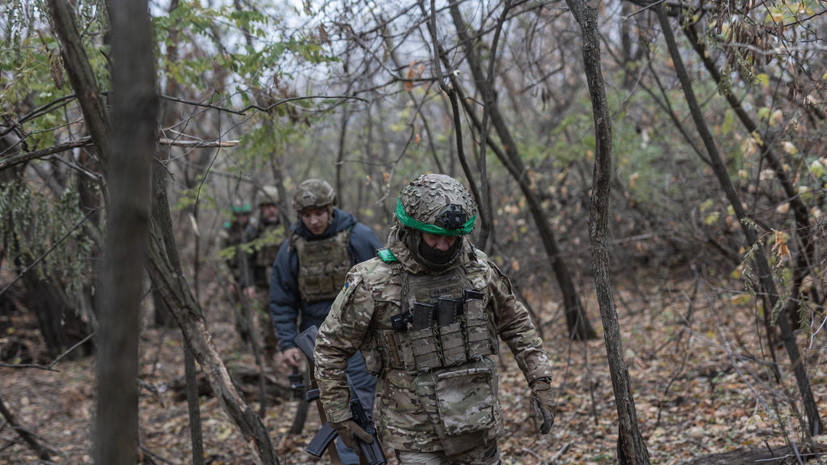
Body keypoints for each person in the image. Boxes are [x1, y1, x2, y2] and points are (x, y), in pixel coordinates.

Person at [314, 173, 557, 465]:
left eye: (452, 238)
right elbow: (330, 348)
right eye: (435, 237)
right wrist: (340, 415)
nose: (444, 246)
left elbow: (517, 325)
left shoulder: (478, 270)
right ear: (412, 230)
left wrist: (540, 381)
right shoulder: (373, 282)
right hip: (414, 432)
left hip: (476, 423)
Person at [269, 178, 383, 465]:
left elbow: (385, 283)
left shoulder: (358, 237)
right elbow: (282, 300)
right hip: (316, 342)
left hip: (356, 338)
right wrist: (286, 343)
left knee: (357, 407)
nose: (314, 221)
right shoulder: (291, 250)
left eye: (319, 213)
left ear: (331, 208)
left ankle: (361, 459)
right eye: (307, 215)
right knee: (335, 410)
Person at [243, 185, 285, 365]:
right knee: (264, 323)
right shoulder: (253, 230)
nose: (270, 210)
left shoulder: (287, 226)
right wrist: (248, 284)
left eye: (273, 205)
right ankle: (268, 360)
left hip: (285, 282)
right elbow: (246, 260)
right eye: (266, 207)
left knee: (285, 320)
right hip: (262, 283)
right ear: (261, 209)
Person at [217, 199, 255, 343]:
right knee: (241, 310)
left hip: (253, 276)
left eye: (244, 215)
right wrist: (229, 280)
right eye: (238, 216)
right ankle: (244, 337)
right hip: (236, 277)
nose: (241, 219)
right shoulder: (226, 233)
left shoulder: (253, 229)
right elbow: (220, 259)